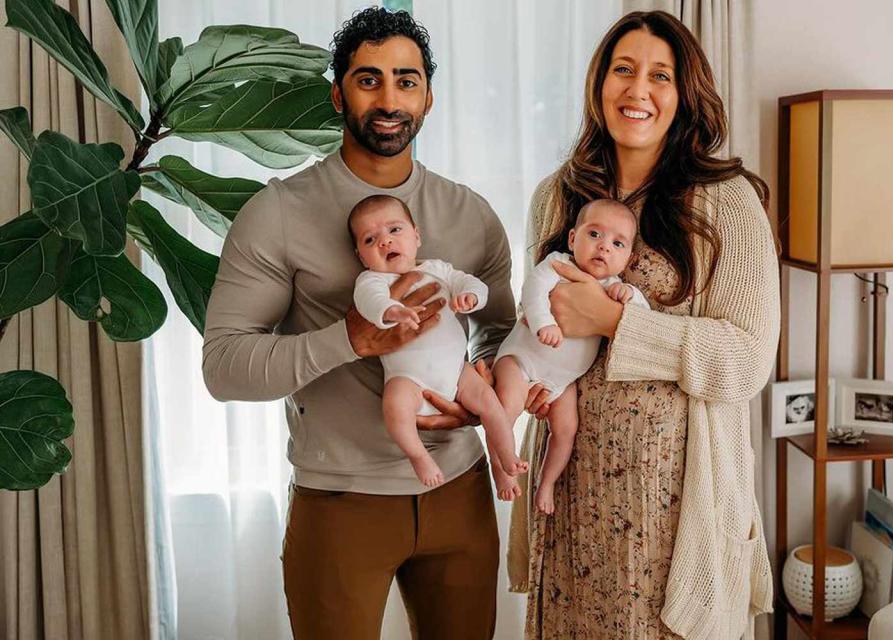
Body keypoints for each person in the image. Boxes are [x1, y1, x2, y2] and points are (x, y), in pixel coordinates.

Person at [201, 8, 515, 639]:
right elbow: (224, 367)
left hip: (460, 491)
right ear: (337, 93)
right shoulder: (278, 214)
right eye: (368, 80)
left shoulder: (470, 214)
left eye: (406, 79)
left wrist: (475, 401)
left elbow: (501, 333)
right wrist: (349, 338)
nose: (389, 98)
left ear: (428, 95)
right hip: (340, 500)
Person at [507, 10, 780, 640]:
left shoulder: (726, 200)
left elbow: (748, 360)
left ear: (683, 95)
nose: (638, 90)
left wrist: (616, 324)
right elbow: (535, 322)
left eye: (660, 75)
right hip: (572, 486)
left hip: (674, 504)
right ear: (599, 82)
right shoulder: (556, 197)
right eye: (623, 69)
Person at [349, 194, 526, 487]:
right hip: (409, 377)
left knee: (491, 405)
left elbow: (470, 282)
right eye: (370, 240)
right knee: (395, 409)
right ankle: (419, 456)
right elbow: (368, 302)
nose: (385, 241)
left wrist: (470, 296)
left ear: (416, 236)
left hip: (457, 370)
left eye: (395, 230)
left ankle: (505, 461)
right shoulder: (372, 281)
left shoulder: (437, 269)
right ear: (360, 256)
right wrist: (391, 309)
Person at [492, 199, 648, 513]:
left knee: (565, 431)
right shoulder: (557, 265)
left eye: (617, 243)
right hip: (522, 361)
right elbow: (532, 293)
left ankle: (546, 482)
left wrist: (630, 297)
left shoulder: (614, 287)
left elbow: (641, 323)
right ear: (573, 239)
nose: (604, 247)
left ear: (628, 257)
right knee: (503, 412)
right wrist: (543, 323)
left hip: (563, 381)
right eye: (595, 235)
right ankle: (501, 470)